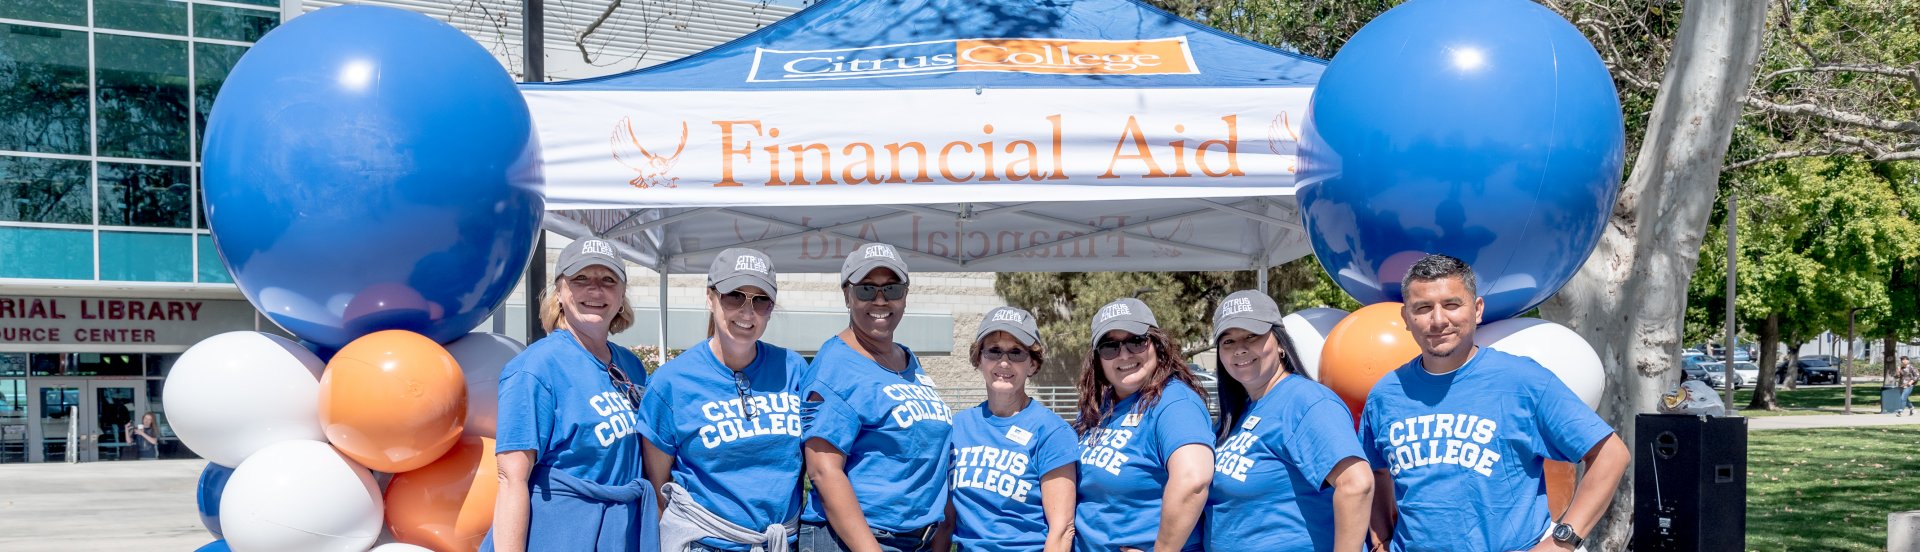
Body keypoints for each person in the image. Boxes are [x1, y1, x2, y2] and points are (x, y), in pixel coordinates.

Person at [1360, 254, 1629, 552]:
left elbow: (1610, 455)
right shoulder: (1387, 393)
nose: (1438, 320)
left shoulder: (1522, 381)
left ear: (1476, 310)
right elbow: (1375, 471)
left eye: (1451, 305)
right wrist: (1380, 539)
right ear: (1407, 319)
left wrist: (1562, 542)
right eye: (1423, 308)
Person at [485, 238, 656, 552]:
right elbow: (511, 480)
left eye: (608, 280)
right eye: (580, 279)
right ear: (560, 292)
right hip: (559, 533)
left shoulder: (630, 364)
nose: (595, 290)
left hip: (620, 532)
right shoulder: (535, 368)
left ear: (621, 295)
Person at [642, 248, 811, 551]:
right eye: (734, 296)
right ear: (710, 298)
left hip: (783, 543)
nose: (748, 312)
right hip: (706, 544)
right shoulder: (670, 382)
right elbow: (657, 488)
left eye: (761, 300)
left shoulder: (793, 369)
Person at [800, 243, 954, 552]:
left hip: (913, 540)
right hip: (854, 542)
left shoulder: (908, 361)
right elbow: (823, 471)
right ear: (848, 295)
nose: (880, 300)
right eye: (867, 290)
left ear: (905, 295)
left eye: (892, 289)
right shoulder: (835, 366)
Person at [1204, 290, 1372, 552]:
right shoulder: (1240, 412)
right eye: (1228, 341)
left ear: (1280, 342)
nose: (1240, 349)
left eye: (1252, 336)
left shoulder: (1305, 401)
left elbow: (1357, 484)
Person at [1072, 298, 1212, 552]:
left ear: (1157, 345)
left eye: (1136, 341)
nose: (1124, 354)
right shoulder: (1100, 407)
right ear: (1098, 359)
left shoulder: (1174, 403)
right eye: (1109, 347)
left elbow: (1193, 481)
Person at [936, 306, 1079, 552]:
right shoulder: (957, 428)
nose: (1004, 362)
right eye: (994, 351)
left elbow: (1062, 529)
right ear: (979, 359)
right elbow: (946, 522)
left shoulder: (1051, 432)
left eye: (1016, 353)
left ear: (1033, 365)